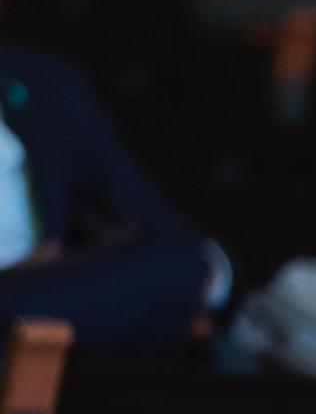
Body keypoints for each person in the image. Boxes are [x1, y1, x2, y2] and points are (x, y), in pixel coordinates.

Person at [0, 42, 228, 350]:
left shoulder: (42, 82)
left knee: (177, 270)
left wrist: (207, 270)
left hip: (47, 295)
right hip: (24, 298)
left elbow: (144, 208)